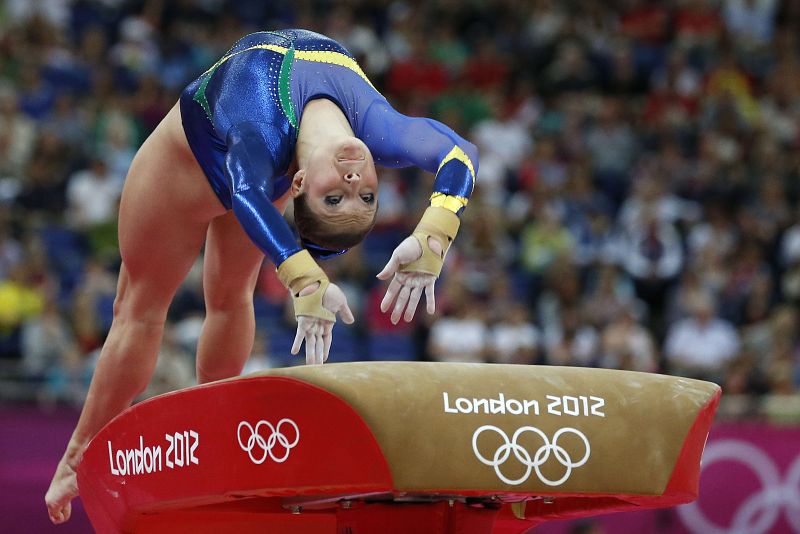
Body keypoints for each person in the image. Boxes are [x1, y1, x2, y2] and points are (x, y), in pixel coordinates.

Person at [46, 29, 478, 524]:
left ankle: (188, 442)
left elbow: (251, 193)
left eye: (334, 198)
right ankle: (80, 453)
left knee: (206, 303)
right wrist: (436, 231)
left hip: (219, 171)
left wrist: (304, 278)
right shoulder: (376, 128)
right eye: (364, 198)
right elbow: (460, 153)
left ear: (298, 185)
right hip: (212, 164)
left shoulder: (272, 138)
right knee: (148, 309)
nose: (355, 185)